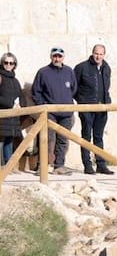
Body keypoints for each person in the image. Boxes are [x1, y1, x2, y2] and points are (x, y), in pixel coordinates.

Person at [31, 46, 76, 175]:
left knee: (63, 140)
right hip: (49, 113)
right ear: (51, 57)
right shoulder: (43, 72)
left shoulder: (69, 71)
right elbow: (36, 92)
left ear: (63, 57)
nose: (57, 59)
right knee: (47, 139)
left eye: (59, 56)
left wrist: (67, 101)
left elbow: (73, 89)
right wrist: (43, 106)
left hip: (66, 113)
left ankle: (59, 166)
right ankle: (43, 166)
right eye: (55, 56)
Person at [74, 44, 113, 175]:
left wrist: (107, 101)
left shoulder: (106, 68)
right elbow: (74, 87)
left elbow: (106, 87)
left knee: (99, 137)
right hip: (87, 108)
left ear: (104, 55)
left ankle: (101, 164)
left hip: (102, 107)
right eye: (96, 53)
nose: (98, 56)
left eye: (101, 54)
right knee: (86, 136)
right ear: (92, 53)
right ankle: (87, 165)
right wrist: (81, 101)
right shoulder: (81, 67)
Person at [0, 52, 22, 167]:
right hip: (2, 115)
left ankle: (8, 167)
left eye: (11, 63)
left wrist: (20, 105)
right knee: (1, 141)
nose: (8, 65)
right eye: (6, 62)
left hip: (13, 117)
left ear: (14, 65)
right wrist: (10, 103)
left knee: (9, 140)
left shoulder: (15, 80)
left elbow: (21, 96)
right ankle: (1, 167)